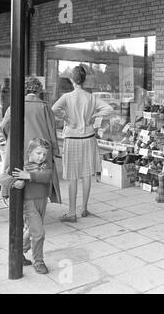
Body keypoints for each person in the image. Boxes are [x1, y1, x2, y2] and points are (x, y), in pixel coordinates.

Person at [52, 65, 113, 222]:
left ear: (72, 79)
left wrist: (66, 117)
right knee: (86, 175)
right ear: (84, 80)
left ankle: (72, 212)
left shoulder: (67, 97)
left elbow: (53, 109)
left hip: (72, 139)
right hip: (88, 137)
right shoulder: (91, 97)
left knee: (73, 177)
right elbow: (109, 109)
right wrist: (95, 116)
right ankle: (84, 208)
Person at [0, 76, 61, 203]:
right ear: (38, 90)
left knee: (17, 173)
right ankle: (35, 204)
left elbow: (3, 126)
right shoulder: (45, 107)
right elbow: (52, 131)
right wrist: (55, 151)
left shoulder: (15, 106)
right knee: (37, 174)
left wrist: (9, 138)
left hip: (18, 147)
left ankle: (20, 204)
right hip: (39, 147)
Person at [0, 138, 54, 274]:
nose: (42, 157)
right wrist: (14, 182)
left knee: (31, 230)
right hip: (28, 203)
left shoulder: (45, 165)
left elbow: (47, 176)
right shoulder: (21, 165)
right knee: (39, 233)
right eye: (38, 153)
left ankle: (19, 252)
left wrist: (28, 176)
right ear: (30, 151)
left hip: (42, 201)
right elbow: (2, 178)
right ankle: (38, 261)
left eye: (44, 154)